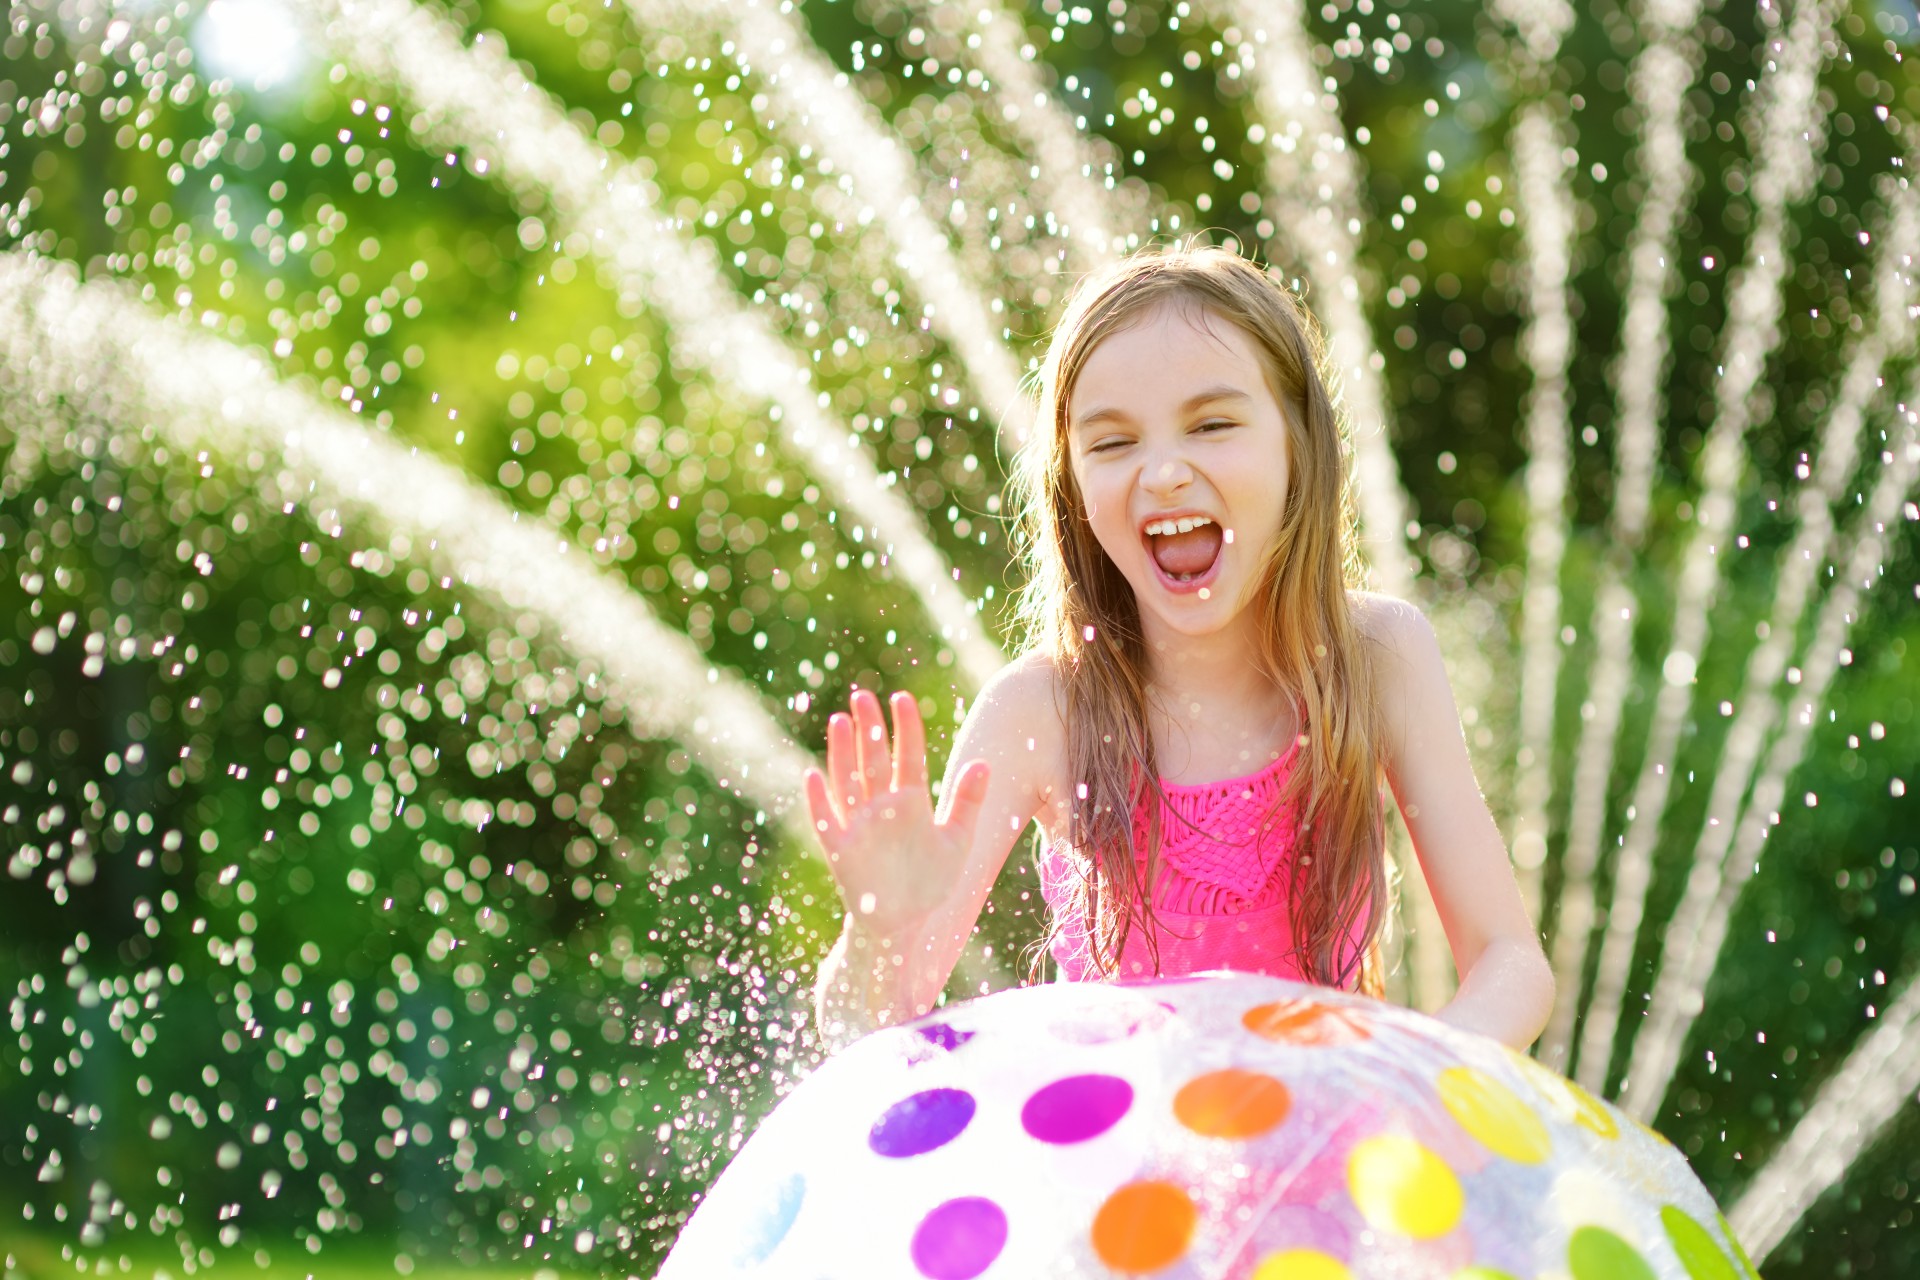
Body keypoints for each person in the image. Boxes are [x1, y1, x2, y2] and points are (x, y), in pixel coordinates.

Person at [804, 243, 1553, 1053]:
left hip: (1321, 1121)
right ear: (1073, 487)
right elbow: (863, 1027)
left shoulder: (1375, 661)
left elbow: (1510, 960)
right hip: (1124, 1131)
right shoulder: (1043, 713)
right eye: (1111, 443)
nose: (1162, 472)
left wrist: (1415, 1076)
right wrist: (879, 934)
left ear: (1299, 442)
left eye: (1212, 424)